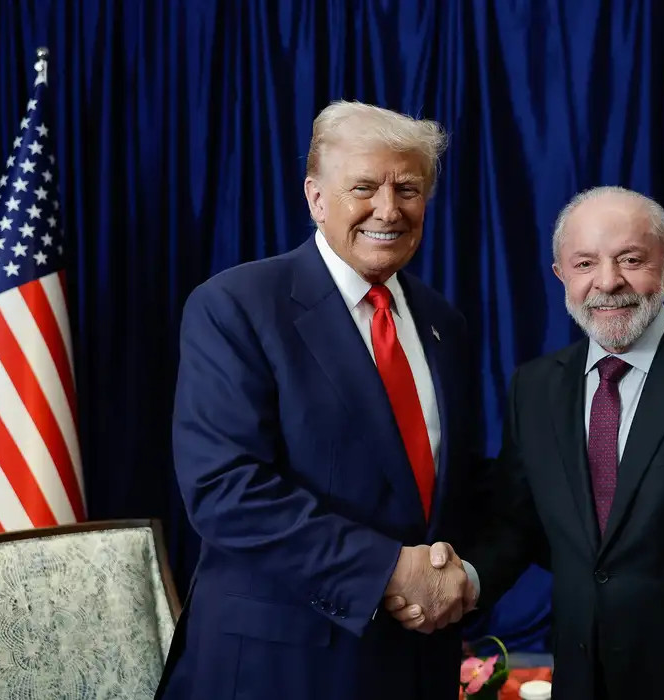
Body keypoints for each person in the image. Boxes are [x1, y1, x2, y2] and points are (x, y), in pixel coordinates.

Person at [389, 185, 664, 699]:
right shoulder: (535, 387)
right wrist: (465, 583)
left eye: (631, 260)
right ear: (561, 275)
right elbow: (517, 526)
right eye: (585, 263)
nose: (608, 281)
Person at [156, 100, 480, 700]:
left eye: (408, 189)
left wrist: (453, 578)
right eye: (364, 187)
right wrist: (387, 570)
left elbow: (452, 491)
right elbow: (226, 489)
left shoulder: (444, 323)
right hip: (280, 666)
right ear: (316, 198)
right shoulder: (236, 306)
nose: (388, 209)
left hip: (415, 664)